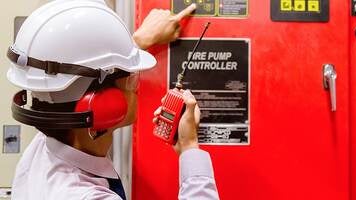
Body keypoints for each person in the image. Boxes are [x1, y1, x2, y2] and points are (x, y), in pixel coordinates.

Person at [6, 0, 219, 199]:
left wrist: (138, 42)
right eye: (131, 79)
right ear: (102, 105)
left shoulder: (41, 149)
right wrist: (190, 147)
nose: (137, 86)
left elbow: (76, 73)